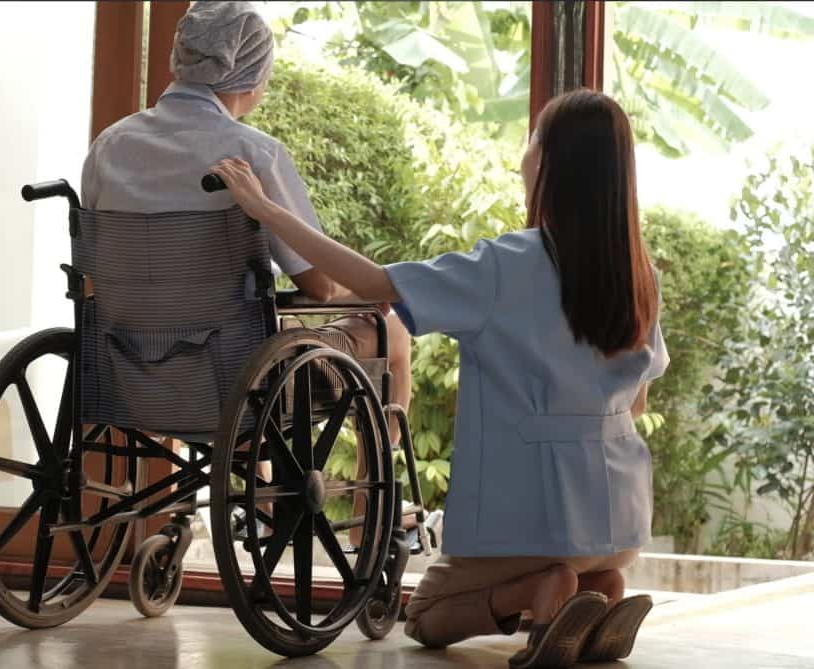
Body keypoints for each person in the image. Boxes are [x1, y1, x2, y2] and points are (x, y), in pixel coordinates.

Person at [209, 88, 669, 669]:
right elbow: (637, 401)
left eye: (533, 142)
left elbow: (375, 284)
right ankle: (600, 588)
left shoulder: (507, 265)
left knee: (427, 615)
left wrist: (268, 211)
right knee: (583, 565)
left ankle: (540, 591)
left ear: (553, 162)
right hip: (619, 521)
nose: (523, 155)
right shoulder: (638, 271)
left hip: (533, 520)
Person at [81, 1, 414, 543]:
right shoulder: (250, 152)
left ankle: (257, 501)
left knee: (247, 339)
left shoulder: (109, 147)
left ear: (178, 60)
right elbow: (318, 285)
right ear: (253, 77)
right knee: (392, 330)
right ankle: (371, 518)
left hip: (127, 370)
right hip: (228, 376)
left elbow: (98, 266)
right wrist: (369, 289)